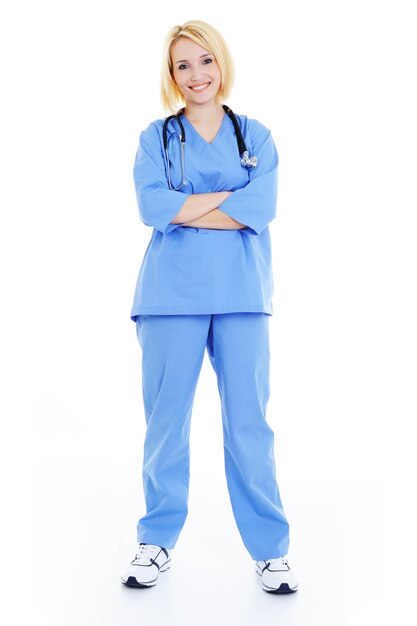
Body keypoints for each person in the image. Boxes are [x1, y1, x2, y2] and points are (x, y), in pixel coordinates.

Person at [121, 19, 299, 594]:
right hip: (169, 298)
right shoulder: (156, 138)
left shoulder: (257, 137)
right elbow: (152, 207)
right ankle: (156, 542)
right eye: (182, 65)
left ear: (221, 64)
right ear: (170, 76)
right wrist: (230, 200)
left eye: (205, 61)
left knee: (249, 424)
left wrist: (187, 207)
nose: (196, 75)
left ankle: (270, 552)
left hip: (243, 296)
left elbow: (262, 206)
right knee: (166, 425)